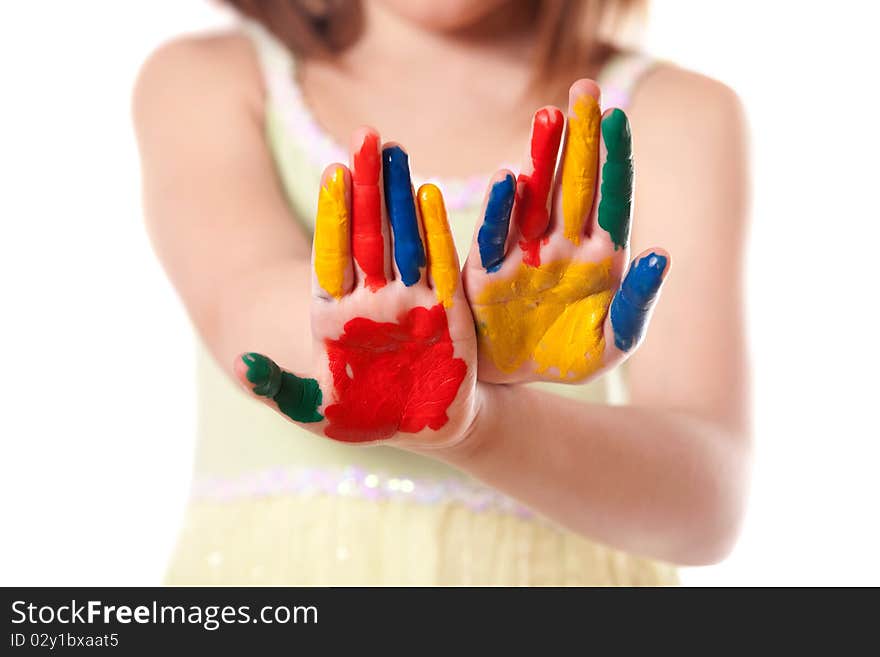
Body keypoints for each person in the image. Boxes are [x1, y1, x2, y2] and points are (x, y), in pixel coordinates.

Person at [133, 0, 750, 585]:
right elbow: (245, 307)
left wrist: (484, 422)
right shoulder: (209, 80)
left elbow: (707, 510)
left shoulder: (680, 114)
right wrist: (435, 350)